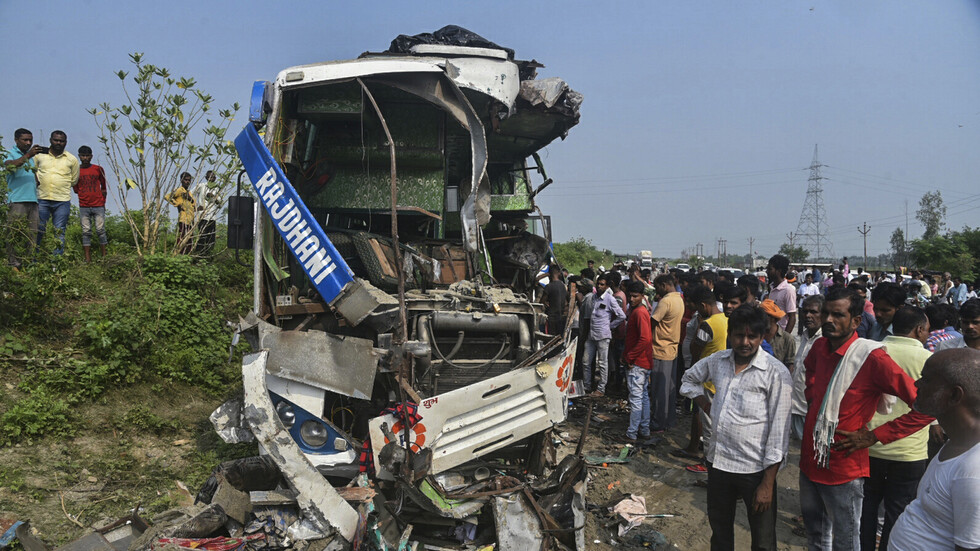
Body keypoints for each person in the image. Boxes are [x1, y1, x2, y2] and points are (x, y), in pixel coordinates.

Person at [799, 287, 933, 551]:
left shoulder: (872, 357)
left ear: (856, 321)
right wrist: (816, 402)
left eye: (838, 315)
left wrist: (874, 435)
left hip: (844, 468)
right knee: (815, 536)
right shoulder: (819, 347)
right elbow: (810, 374)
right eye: (826, 313)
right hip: (810, 458)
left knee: (846, 541)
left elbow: (926, 407)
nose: (828, 320)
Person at [680, 304, 792, 551]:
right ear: (730, 335)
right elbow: (688, 380)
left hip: (755, 470)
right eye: (739, 335)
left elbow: (779, 433)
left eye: (752, 336)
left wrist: (768, 483)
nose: (745, 342)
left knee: (763, 541)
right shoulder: (718, 361)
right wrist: (708, 405)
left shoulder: (776, 373)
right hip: (719, 463)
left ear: (762, 337)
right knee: (720, 534)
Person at [887, 349, 980, 551]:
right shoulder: (957, 441)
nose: (917, 384)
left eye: (926, 380)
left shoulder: (973, 474)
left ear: (955, 395)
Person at [859, 306, 933, 551]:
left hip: (867, 448)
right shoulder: (928, 360)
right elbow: (929, 412)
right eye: (927, 331)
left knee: (865, 509)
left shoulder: (872, 351)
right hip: (908, 454)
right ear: (919, 330)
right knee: (897, 512)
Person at [34, 130, 79, 255]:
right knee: (38, 229)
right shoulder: (40, 156)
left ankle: (56, 264)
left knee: (59, 232)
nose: (58, 143)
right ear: (50, 140)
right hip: (42, 198)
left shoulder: (72, 159)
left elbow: (74, 180)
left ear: (66, 142)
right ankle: (34, 260)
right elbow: (33, 171)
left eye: (61, 141)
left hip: (62, 201)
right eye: (56, 140)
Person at [649, 273, 684, 432]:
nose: (657, 291)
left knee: (659, 390)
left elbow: (652, 322)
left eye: (657, 288)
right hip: (672, 348)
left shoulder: (666, 301)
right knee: (669, 389)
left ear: (664, 285)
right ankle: (668, 420)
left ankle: (658, 422)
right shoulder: (678, 299)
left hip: (661, 349)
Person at [3, 129, 43, 268]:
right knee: (13, 233)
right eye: (25, 140)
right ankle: (12, 264)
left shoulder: (30, 158)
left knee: (32, 234)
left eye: (30, 140)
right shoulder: (10, 153)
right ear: (16, 140)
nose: (28, 142)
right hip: (17, 200)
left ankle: (28, 264)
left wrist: (36, 180)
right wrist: (28, 154)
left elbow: (31, 172)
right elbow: (10, 165)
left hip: (33, 200)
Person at [584, 273, 625, 396]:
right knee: (586, 361)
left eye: (602, 284)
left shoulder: (610, 299)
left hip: (603, 335)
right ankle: (586, 386)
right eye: (598, 284)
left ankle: (601, 389)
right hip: (591, 335)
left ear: (607, 286)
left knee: (602, 363)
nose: (599, 286)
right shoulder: (593, 298)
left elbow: (621, 316)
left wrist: (610, 326)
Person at [622, 280, 653, 443]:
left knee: (636, 399)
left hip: (637, 363)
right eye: (630, 296)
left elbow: (645, 339)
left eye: (635, 296)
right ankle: (644, 429)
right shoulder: (640, 310)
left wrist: (630, 357)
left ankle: (632, 433)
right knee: (643, 397)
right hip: (642, 362)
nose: (632, 299)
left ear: (642, 296)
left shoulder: (640, 312)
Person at [791, 294, 824, 440]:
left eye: (813, 312)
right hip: (795, 406)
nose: (808, 316)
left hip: (810, 411)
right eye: (805, 312)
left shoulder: (825, 341)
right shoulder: (804, 337)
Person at [73, 145, 108, 261]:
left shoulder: (98, 169)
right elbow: (75, 188)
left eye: (87, 155)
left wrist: (103, 202)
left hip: (98, 204)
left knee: (100, 230)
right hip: (84, 205)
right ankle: (88, 259)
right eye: (83, 156)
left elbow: (104, 186)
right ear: (79, 156)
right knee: (86, 231)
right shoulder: (76, 170)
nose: (85, 158)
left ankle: (104, 257)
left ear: (91, 156)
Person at [760, 299, 796, 371]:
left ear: (774, 318)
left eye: (764, 316)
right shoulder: (756, 336)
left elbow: (790, 366)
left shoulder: (787, 339)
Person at [165, 172, 196, 255]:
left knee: (190, 240)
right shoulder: (179, 190)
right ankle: (179, 255)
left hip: (191, 219)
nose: (187, 182)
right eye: (186, 180)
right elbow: (167, 197)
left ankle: (187, 256)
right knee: (182, 238)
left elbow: (194, 205)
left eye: (189, 180)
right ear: (182, 180)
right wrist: (177, 204)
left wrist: (190, 199)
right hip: (183, 218)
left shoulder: (189, 193)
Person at [766, 254, 798, 333]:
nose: (767, 271)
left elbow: (792, 317)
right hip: (770, 333)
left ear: (778, 271)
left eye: (770, 269)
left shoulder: (788, 290)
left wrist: (785, 338)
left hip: (780, 333)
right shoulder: (772, 288)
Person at [192, 170, 221, 255]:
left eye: (213, 177)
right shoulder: (202, 186)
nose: (211, 179)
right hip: (203, 216)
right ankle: (198, 255)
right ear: (206, 178)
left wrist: (213, 196)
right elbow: (191, 194)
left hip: (212, 217)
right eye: (209, 177)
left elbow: (220, 203)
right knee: (201, 237)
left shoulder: (217, 188)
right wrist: (195, 208)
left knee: (211, 239)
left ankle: (209, 257)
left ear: (215, 178)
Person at [540, 264, 567, 336]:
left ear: (549, 274)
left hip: (551, 317)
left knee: (549, 337)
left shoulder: (549, 286)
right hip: (560, 317)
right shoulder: (563, 286)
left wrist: (546, 304)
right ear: (558, 273)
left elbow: (541, 302)